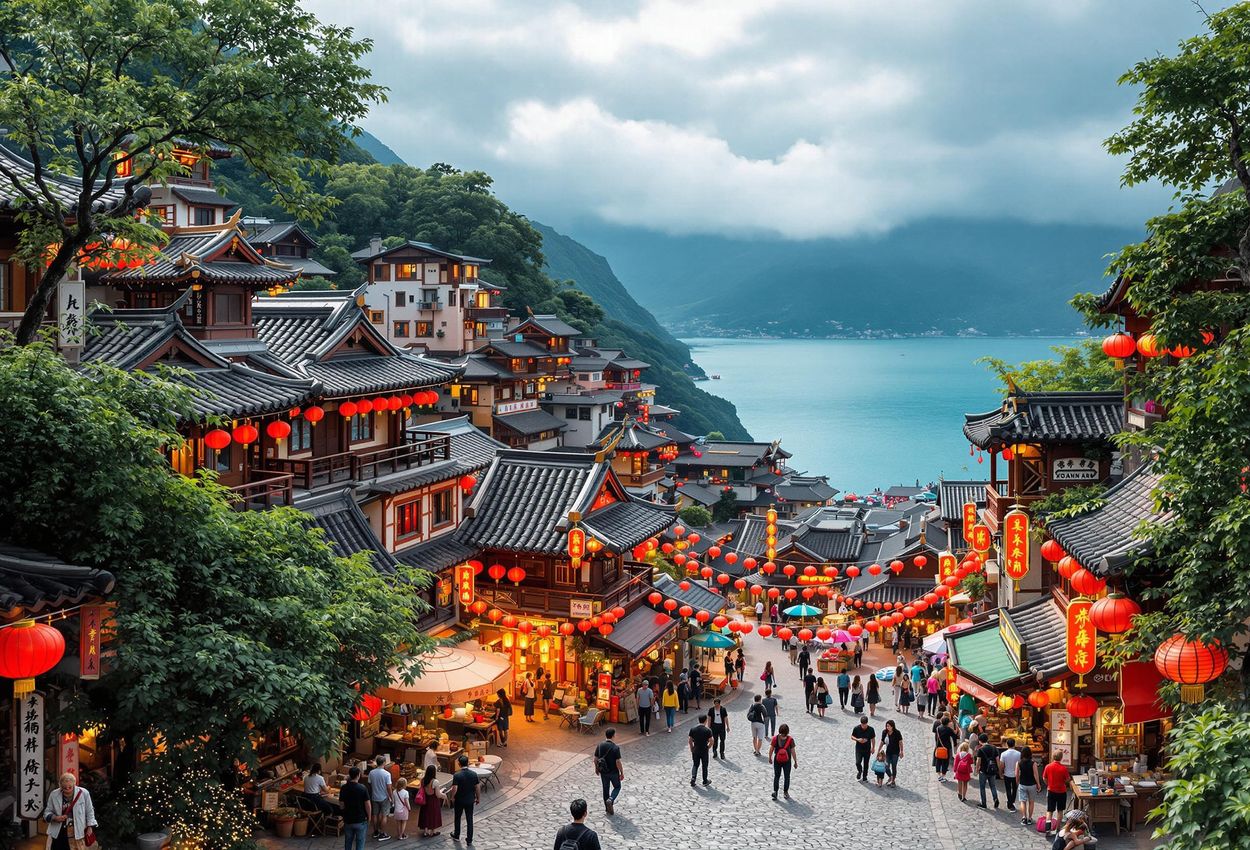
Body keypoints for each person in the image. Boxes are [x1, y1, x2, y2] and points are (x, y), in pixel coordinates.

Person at [42, 772, 96, 850]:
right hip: (59, 832)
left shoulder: (84, 793)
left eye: (70, 787)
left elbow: (90, 811)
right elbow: (47, 812)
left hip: (77, 830)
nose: (67, 789)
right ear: (60, 786)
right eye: (64, 787)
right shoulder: (54, 794)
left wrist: (90, 827)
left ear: (74, 784)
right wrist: (54, 817)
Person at [449, 754, 480, 845]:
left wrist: (452, 797)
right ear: (468, 763)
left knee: (457, 818)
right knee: (469, 819)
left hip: (459, 800)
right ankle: (469, 839)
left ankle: (457, 835)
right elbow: (477, 787)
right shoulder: (474, 774)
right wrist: (478, 798)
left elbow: (455, 788)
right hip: (470, 800)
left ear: (459, 764)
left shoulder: (457, 775)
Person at [338, 767, 371, 850]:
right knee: (360, 842)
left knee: (348, 841)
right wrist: (369, 817)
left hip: (348, 819)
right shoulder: (362, 788)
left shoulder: (344, 788)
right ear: (358, 775)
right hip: (360, 819)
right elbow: (367, 805)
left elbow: (341, 805)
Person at [592, 727, 623, 814]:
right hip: (613, 772)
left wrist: (596, 768)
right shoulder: (615, 747)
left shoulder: (600, 745)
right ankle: (611, 799)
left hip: (603, 772)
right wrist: (622, 772)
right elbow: (618, 762)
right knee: (617, 787)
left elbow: (595, 758)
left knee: (605, 789)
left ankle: (607, 808)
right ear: (613, 736)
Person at [1041, 753, 1072, 836]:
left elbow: (1044, 778)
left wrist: (1048, 784)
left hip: (1051, 790)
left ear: (1052, 757)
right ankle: (1058, 828)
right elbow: (1068, 779)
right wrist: (1064, 782)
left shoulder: (1048, 766)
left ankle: (1048, 829)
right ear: (1061, 758)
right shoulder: (1063, 768)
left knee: (1050, 810)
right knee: (1060, 810)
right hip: (1061, 791)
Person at [367, 756, 393, 840]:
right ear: (384, 763)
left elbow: (369, 783)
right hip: (384, 797)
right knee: (384, 815)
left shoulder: (371, 772)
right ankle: (382, 833)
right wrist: (391, 797)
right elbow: (389, 787)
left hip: (374, 796)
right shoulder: (387, 774)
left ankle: (375, 832)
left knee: (375, 815)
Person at [769, 723, 797, 800]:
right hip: (787, 761)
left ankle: (775, 791)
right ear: (787, 731)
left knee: (777, 776)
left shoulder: (775, 738)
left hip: (777, 760)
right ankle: (785, 792)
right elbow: (793, 751)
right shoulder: (790, 740)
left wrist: (770, 757)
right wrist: (795, 761)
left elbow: (771, 749)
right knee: (787, 776)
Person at [416, 764, 446, 837]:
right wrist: (444, 796)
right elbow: (438, 794)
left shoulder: (423, 780)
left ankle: (425, 831)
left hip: (425, 799)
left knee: (426, 815)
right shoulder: (435, 781)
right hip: (433, 800)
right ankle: (433, 831)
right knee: (433, 815)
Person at [1017, 746, 1040, 827]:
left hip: (1022, 784)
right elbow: (1036, 774)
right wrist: (1038, 784)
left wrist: (1017, 782)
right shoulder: (1033, 763)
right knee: (1031, 802)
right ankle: (1030, 818)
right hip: (1032, 785)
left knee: (1023, 801)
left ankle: (1024, 817)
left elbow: (1017, 774)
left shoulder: (1019, 763)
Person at [975, 733, 1001, 809]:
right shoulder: (994, 748)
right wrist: (999, 770)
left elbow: (978, 761)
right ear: (987, 740)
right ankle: (995, 798)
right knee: (993, 786)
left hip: (983, 771)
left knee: (982, 787)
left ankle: (984, 804)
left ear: (980, 741)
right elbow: (997, 760)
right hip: (992, 770)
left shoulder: (981, 750)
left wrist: (976, 770)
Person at [689, 714, 713, 786]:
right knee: (704, 765)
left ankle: (693, 778)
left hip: (696, 749)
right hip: (704, 750)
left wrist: (691, 748)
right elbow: (711, 741)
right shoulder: (708, 730)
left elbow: (690, 740)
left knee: (695, 764)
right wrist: (708, 747)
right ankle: (705, 781)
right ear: (705, 720)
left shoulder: (693, 729)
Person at [1000, 737, 1022, 813]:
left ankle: (1010, 803)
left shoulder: (1003, 754)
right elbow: (1020, 765)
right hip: (1016, 774)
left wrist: (1001, 773)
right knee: (1015, 789)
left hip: (1007, 774)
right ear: (1014, 744)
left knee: (1008, 789)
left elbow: (1002, 765)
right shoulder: (1019, 754)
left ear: (1007, 744)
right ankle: (1011, 802)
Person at [851, 716, 877, 782]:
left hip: (867, 749)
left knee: (866, 763)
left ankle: (865, 776)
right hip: (859, 748)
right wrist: (857, 739)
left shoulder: (871, 729)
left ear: (867, 723)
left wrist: (873, 747)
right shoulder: (856, 728)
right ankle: (860, 771)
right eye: (862, 724)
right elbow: (852, 736)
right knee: (857, 762)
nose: (863, 726)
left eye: (864, 725)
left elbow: (873, 739)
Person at [880, 718, 904, 786]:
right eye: (887, 726)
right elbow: (882, 742)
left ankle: (893, 781)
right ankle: (890, 777)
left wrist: (901, 751)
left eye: (889, 726)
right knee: (886, 766)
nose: (887, 727)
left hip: (895, 752)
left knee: (894, 766)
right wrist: (878, 750)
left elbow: (900, 742)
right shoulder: (884, 732)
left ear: (892, 726)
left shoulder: (897, 733)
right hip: (887, 752)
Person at [933, 715, 957, 782]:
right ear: (948, 723)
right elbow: (954, 736)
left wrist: (937, 745)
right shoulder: (948, 729)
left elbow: (936, 738)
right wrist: (955, 744)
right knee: (945, 762)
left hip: (938, 746)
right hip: (946, 747)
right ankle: (942, 776)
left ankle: (939, 775)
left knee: (938, 761)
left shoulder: (938, 728)